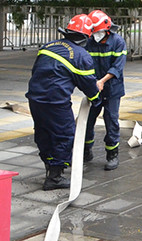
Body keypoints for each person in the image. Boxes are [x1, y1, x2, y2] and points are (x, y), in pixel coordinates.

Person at [26, 14, 101, 191]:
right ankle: (55, 177)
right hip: (56, 102)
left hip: (35, 99)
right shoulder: (81, 56)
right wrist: (96, 100)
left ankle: (49, 166)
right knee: (65, 135)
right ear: (86, 36)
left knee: (43, 132)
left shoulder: (48, 47)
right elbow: (88, 84)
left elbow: (37, 70)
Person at [84, 9, 127, 171]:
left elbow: (117, 67)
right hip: (94, 88)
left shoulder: (118, 42)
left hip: (112, 89)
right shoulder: (89, 42)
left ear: (106, 29)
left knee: (111, 120)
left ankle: (112, 154)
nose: (96, 35)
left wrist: (102, 81)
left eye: (98, 32)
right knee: (88, 120)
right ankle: (86, 150)